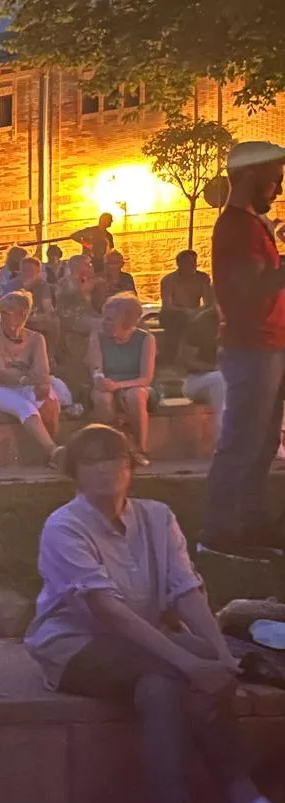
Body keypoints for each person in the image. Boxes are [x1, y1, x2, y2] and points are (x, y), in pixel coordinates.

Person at [27, 425, 285, 803]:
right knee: (174, 676)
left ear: (131, 467)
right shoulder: (64, 527)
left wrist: (220, 655)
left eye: (115, 458)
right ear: (75, 473)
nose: (105, 468)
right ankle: (240, 799)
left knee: (171, 682)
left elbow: (186, 593)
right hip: (76, 646)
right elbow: (109, 613)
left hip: (145, 646)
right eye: (91, 461)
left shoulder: (158, 518)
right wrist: (192, 664)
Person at [202, 141, 285, 560]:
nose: (278, 190)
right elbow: (249, 288)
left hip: (271, 344)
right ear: (249, 177)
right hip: (252, 348)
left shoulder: (253, 225)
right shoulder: (234, 227)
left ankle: (252, 524)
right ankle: (219, 532)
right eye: (273, 181)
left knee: (264, 442)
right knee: (242, 441)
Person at [0, 291, 73, 467]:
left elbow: (42, 370)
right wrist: (27, 378)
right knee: (26, 406)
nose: (0, 317)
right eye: (0, 312)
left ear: (22, 314)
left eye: (6, 313)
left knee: (48, 398)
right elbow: (0, 372)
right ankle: (54, 450)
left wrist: (41, 383)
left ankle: (53, 455)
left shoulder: (36, 339)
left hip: (26, 385)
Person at [87, 294, 159, 465]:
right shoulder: (98, 336)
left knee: (135, 396)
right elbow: (96, 368)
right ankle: (115, 447)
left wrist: (118, 385)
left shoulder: (146, 339)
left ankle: (141, 449)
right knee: (102, 398)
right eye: (103, 317)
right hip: (108, 384)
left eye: (110, 319)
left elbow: (146, 378)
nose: (104, 322)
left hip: (136, 384)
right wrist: (99, 379)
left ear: (127, 321)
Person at [159, 250, 215, 363]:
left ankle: (206, 356)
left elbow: (208, 302)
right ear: (179, 264)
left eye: (194, 261)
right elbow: (168, 305)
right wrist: (186, 311)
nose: (192, 265)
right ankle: (173, 357)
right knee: (180, 319)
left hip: (195, 312)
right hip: (172, 314)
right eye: (188, 262)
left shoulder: (203, 278)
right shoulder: (168, 280)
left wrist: (198, 311)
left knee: (209, 319)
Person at [179, 305, 226, 422]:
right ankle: (225, 435)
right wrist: (214, 368)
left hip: (235, 376)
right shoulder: (202, 322)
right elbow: (185, 359)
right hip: (198, 378)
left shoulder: (246, 321)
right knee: (221, 380)